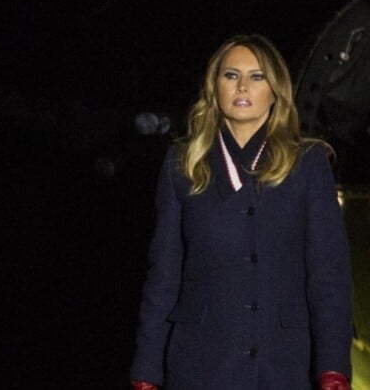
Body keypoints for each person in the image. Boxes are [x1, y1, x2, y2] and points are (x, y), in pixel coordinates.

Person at [129, 34, 353, 390]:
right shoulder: (182, 164)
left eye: (257, 76)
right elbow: (164, 276)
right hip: (200, 365)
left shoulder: (308, 164)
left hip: (285, 366)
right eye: (231, 75)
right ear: (214, 86)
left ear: (275, 90)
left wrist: (333, 368)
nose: (243, 86)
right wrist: (146, 371)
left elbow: (329, 278)